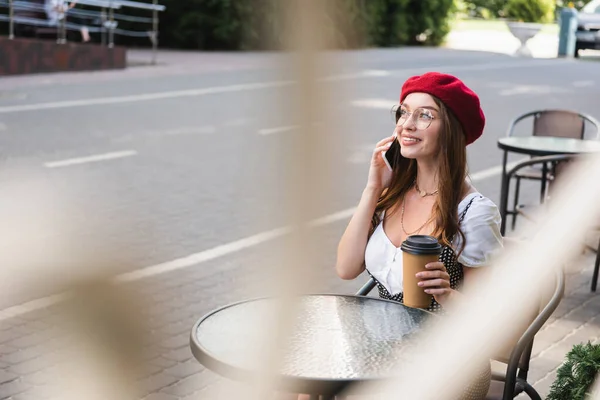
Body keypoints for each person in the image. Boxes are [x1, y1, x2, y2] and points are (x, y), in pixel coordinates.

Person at [335, 72, 503, 399]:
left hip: (449, 358)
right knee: (299, 380)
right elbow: (345, 269)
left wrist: (446, 294)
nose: (407, 124)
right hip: (386, 346)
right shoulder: (391, 194)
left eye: (425, 115)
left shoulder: (474, 213)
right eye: (403, 112)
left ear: (451, 131)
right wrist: (372, 188)